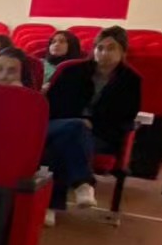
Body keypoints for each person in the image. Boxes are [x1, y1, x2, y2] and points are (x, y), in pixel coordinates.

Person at [43, 26, 142, 214]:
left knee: (66, 142)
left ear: (122, 51)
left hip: (100, 134)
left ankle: (53, 205)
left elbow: (124, 117)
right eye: (99, 48)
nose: (103, 53)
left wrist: (91, 125)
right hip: (59, 125)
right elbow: (53, 105)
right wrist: (79, 121)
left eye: (111, 48)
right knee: (74, 129)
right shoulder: (73, 71)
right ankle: (83, 184)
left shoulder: (131, 81)